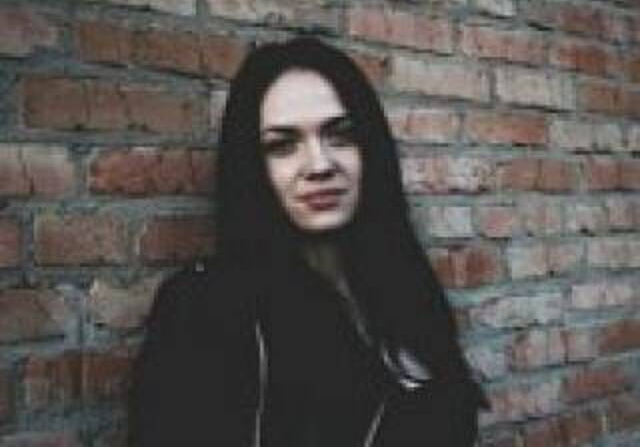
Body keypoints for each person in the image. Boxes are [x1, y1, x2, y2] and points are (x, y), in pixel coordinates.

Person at [128, 37, 488, 446]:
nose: (319, 165)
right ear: (253, 166)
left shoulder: (406, 288)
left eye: (341, 135)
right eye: (283, 145)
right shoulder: (207, 309)